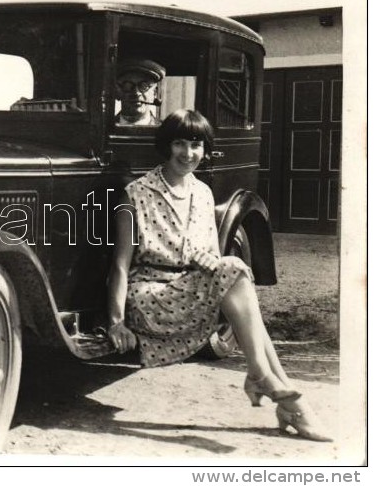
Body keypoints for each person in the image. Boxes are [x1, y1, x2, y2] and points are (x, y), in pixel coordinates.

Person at [106, 109, 332, 442]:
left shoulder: (203, 193)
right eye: (180, 144)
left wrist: (208, 264)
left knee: (233, 270)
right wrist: (115, 321)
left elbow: (212, 257)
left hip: (190, 291)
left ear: (205, 149)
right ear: (166, 146)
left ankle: (277, 389)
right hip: (150, 296)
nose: (188, 153)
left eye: (196, 145)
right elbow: (120, 265)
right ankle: (274, 389)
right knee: (236, 274)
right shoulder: (136, 194)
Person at [115, 58, 166, 126]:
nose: (136, 93)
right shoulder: (103, 129)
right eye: (128, 86)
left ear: (155, 93)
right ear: (117, 91)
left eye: (143, 86)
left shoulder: (165, 131)